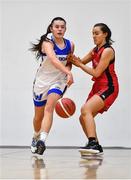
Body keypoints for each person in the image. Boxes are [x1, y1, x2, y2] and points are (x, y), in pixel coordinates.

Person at [67, 23, 119, 154]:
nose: (94, 36)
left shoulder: (108, 51)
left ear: (105, 34)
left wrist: (78, 63)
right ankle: (96, 145)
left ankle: (93, 143)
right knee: (83, 117)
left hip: (109, 87)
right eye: (93, 33)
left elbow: (96, 73)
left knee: (86, 109)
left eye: (97, 33)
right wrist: (68, 56)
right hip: (97, 86)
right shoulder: (94, 50)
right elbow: (81, 62)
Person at [30, 17, 74, 155]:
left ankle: (42, 141)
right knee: (38, 116)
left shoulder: (70, 44)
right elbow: (54, 59)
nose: (60, 29)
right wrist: (68, 72)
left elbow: (69, 62)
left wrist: (67, 72)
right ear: (51, 28)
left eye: (62, 27)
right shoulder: (47, 42)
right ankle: (36, 136)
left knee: (49, 108)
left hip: (58, 81)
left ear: (65, 29)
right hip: (42, 81)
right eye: (57, 27)